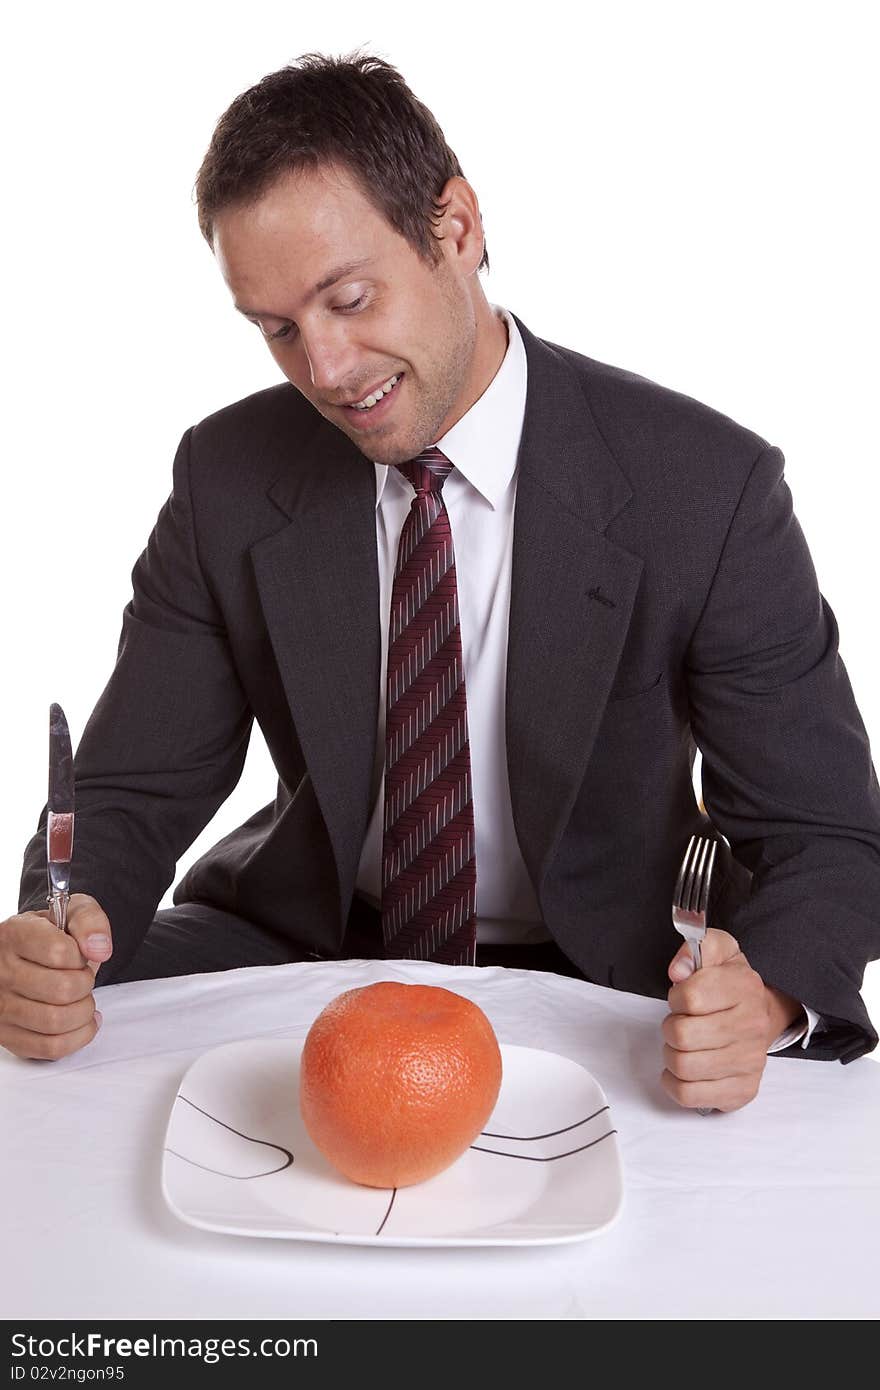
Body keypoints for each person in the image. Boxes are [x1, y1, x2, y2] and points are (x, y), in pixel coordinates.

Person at [5, 52, 879, 1112]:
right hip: (308, 935)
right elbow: (133, 790)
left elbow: (825, 833)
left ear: (456, 227)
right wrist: (63, 927)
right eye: (278, 329)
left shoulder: (705, 488)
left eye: (350, 298)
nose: (324, 369)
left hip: (604, 965)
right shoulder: (227, 474)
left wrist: (773, 994)